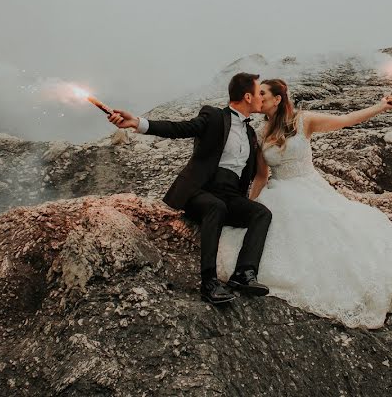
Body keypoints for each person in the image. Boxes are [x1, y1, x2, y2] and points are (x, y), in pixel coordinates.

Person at [216, 79, 392, 328]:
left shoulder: (304, 120)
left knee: (333, 226)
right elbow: (262, 176)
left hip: (309, 186)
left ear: (277, 99)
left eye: (262, 93)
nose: (257, 97)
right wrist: (250, 206)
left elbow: (347, 120)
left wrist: (381, 106)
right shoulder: (261, 133)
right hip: (279, 189)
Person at [108, 72, 271, 305]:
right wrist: (137, 122)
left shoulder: (250, 133)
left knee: (261, 213)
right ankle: (209, 283)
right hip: (201, 191)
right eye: (258, 94)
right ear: (247, 96)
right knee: (216, 207)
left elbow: (257, 172)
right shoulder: (214, 116)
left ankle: (243, 274)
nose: (261, 99)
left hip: (231, 193)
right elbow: (180, 128)